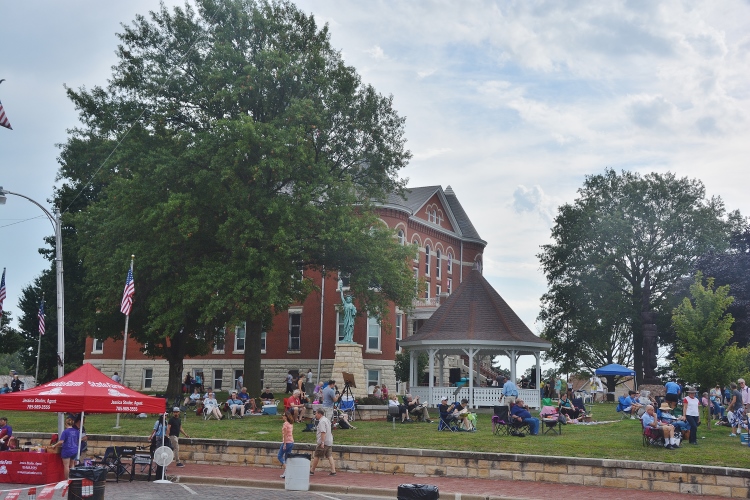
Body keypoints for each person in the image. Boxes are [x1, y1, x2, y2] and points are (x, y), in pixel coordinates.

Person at [310, 408, 336, 476]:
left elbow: (323, 432)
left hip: (323, 442)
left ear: (319, 414)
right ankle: (333, 470)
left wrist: (322, 442)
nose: (315, 415)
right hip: (329, 441)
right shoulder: (327, 420)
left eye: (316, 413)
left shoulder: (321, 422)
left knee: (316, 455)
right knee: (329, 455)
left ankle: (312, 470)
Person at [338, 278, 356, 343]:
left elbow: (354, 314)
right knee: (345, 329)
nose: (348, 299)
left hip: (350, 320)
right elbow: (342, 298)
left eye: (349, 298)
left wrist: (352, 320)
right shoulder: (345, 304)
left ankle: (349, 339)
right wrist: (341, 290)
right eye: (347, 298)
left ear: (350, 299)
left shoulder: (352, 306)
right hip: (346, 319)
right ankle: (345, 339)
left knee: (350, 329)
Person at [278, 410, 295, 478]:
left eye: (283, 415)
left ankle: (287, 470)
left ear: (286, 417)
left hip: (287, 442)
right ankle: (286, 473)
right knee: (287, 458)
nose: (282, 416)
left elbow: (285, 435)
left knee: (279, 456)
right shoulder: (291, 424)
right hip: (291, 442)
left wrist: (284, 444)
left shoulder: (285, 424)